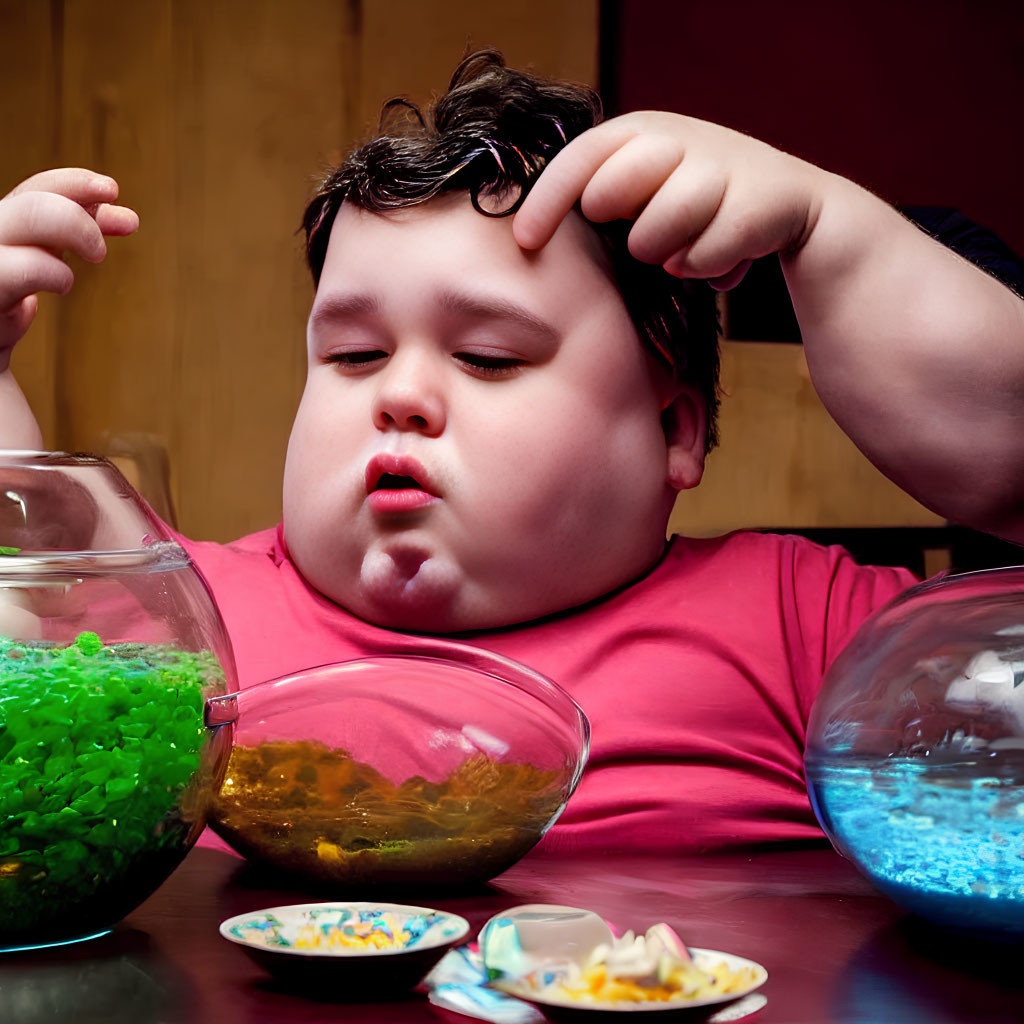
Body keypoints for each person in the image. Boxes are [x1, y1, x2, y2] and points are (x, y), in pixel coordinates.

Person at [1, 50, 1023, 853]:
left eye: (486, 357)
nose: (398, 393)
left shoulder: (801, 627)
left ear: (674, 428)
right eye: (353, 353)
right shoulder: (187, 624)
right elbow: (17, 621)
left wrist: (840, 235)